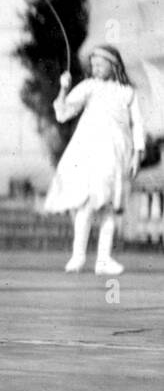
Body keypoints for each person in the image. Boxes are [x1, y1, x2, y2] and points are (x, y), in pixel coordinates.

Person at [43, 45, 145, 276]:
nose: (96, 68)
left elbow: (137, 123)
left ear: (114, 65)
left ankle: (104, 259)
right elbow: (63, 113)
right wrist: (63, 88)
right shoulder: (89, 87)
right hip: (90, 151)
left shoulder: (127, 92)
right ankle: (78, 256)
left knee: (110, 206)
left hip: (117, 152)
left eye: (101, 64)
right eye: (94, 64)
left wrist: (138, 153)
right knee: (87, 204)